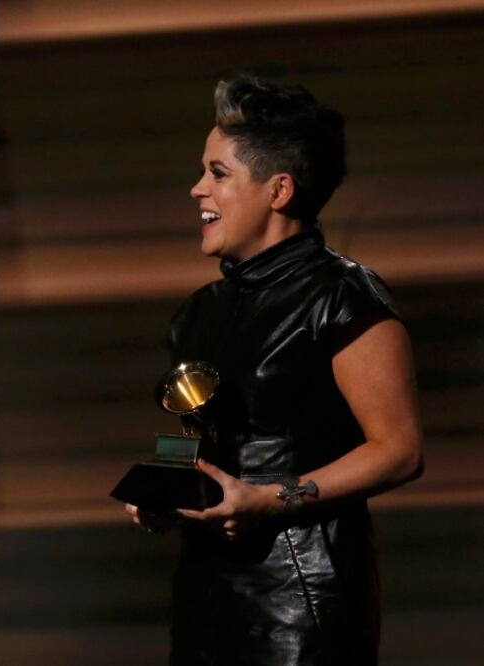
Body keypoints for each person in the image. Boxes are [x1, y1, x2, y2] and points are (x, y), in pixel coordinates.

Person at [125, 76, 424, 664]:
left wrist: (270, 499)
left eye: (217, 173)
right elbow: (197, 438)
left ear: (278, 190)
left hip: (303, 591)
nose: (196, 190)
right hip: (205, 585)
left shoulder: (343, 296)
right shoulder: (197, 313)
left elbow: (399, 449)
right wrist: (162, 489)